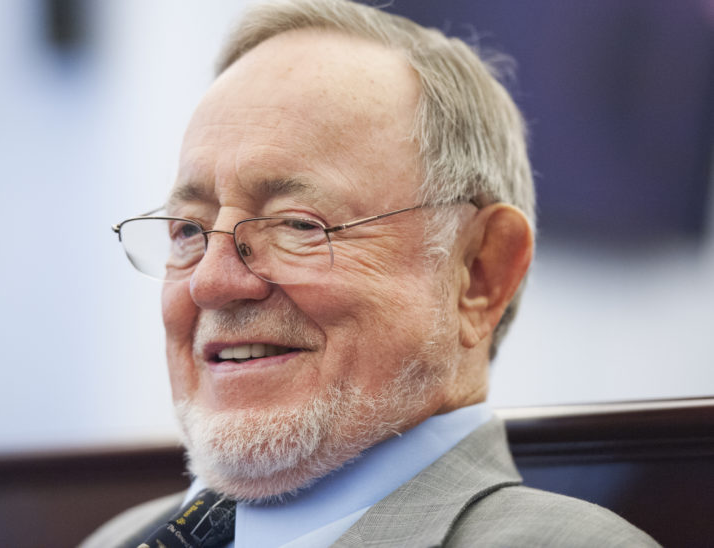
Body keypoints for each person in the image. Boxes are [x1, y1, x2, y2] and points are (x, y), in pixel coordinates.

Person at [85, 0, 659, 546]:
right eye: (188, 231)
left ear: (479, 274)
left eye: (297, 225)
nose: (210, 281)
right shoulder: (116, 540)